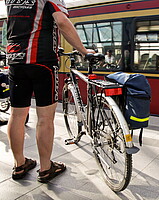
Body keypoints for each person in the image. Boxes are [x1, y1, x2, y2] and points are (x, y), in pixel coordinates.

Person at [5, 0, 94, 182]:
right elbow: (61, 22)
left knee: (17, 116)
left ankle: (19, 164)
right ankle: (46, 168)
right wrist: (85, 52)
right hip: (42, 61)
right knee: (45, 119)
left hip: (15, 60)